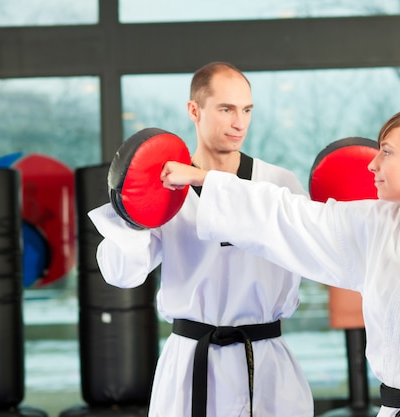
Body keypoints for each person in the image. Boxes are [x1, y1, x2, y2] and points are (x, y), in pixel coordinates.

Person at [160, 108, 400, 417]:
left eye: (386, 152)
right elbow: (290, 216)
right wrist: (205, 178)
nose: (372, 163)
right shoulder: (380, 224)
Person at [88, 61, 314, 417]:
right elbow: (121, 275)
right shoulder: (165, 189)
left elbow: (315, 252)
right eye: (226, 109)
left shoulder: (278, 182)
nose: (240, 123)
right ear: (194, 110)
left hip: (266, 360)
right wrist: (134, 211)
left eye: (246, 110)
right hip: (191, 360)